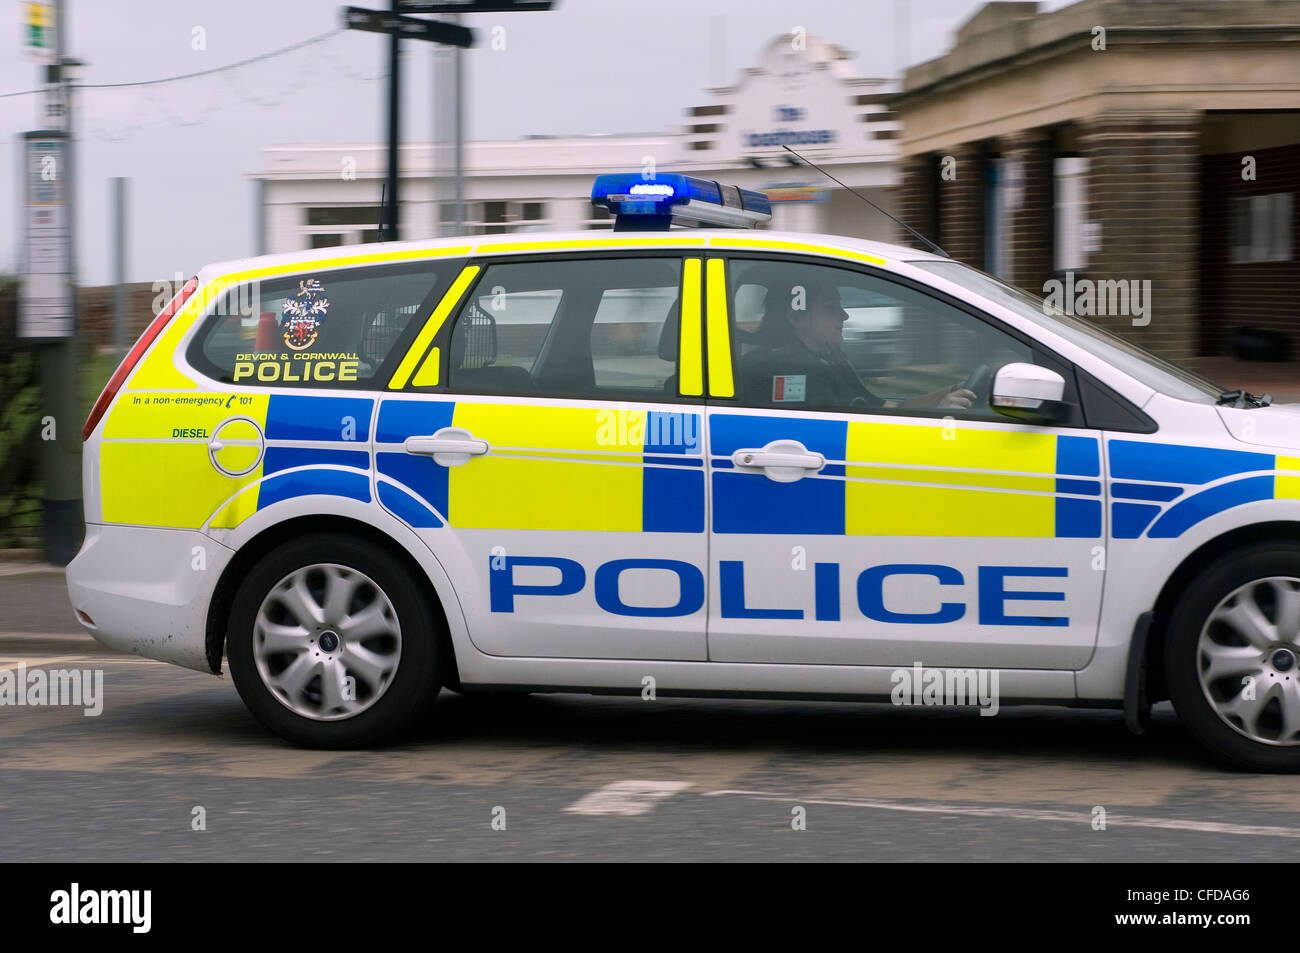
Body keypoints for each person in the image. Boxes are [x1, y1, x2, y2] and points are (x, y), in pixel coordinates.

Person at [740, 280, 976, 411]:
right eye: (831, 307)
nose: (844, 316)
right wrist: (940, 414)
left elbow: (887, 407)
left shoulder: (828, 359)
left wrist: (945, 395)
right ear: (797, 318)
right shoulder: (792, 369)